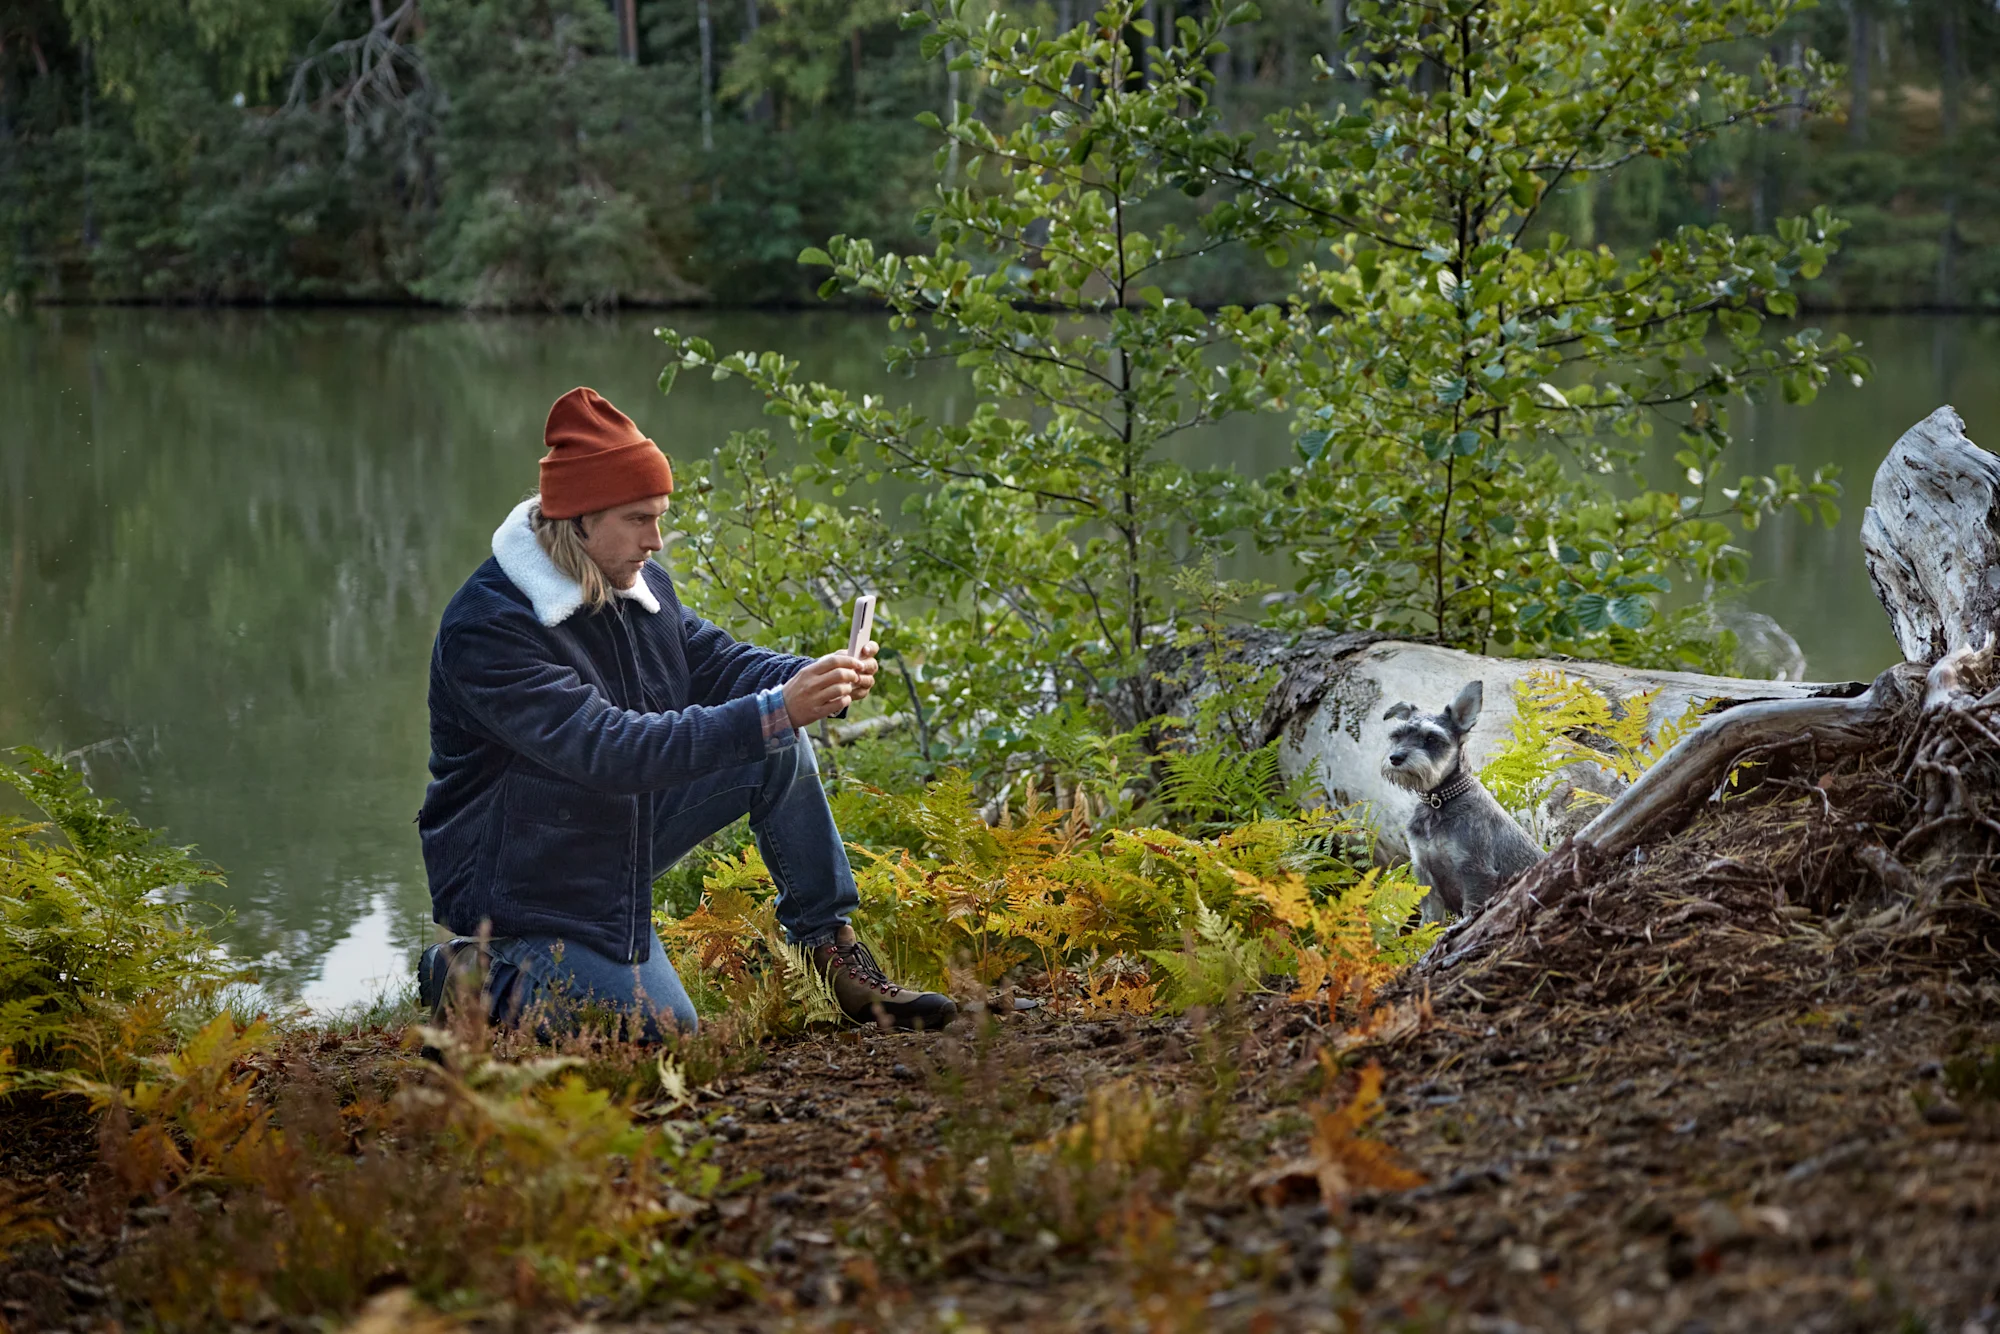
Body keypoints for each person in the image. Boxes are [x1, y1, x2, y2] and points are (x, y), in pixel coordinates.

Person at [415, 386, 956, 1038]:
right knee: (664, 1030)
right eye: (639, 519)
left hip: (609, 832)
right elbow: (609, 750)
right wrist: (776, 708)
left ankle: (828, 955)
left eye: (660, 516)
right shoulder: (489, 628)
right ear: (581, 519)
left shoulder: (637, 586)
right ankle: (469, 973)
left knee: (777, 740)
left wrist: (810, 680)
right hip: (523, 878)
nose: (657, 539)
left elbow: (716, 664)